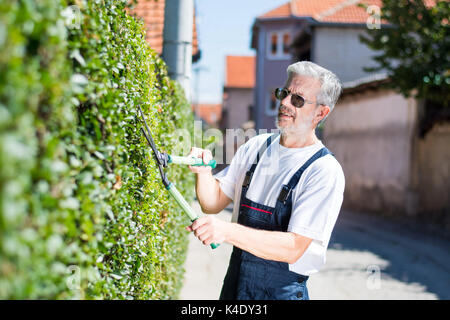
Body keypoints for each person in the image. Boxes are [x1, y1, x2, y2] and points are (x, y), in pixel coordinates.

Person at [186, 61, 345, 300]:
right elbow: (213, 202)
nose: (284, 103)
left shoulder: (323, 170)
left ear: (321, 113)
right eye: (284, 93)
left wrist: (227, 231)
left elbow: (293, 247)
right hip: (235, 285)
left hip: (280, 293)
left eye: (298, 100)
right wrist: (203, 172)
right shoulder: (257, 147)